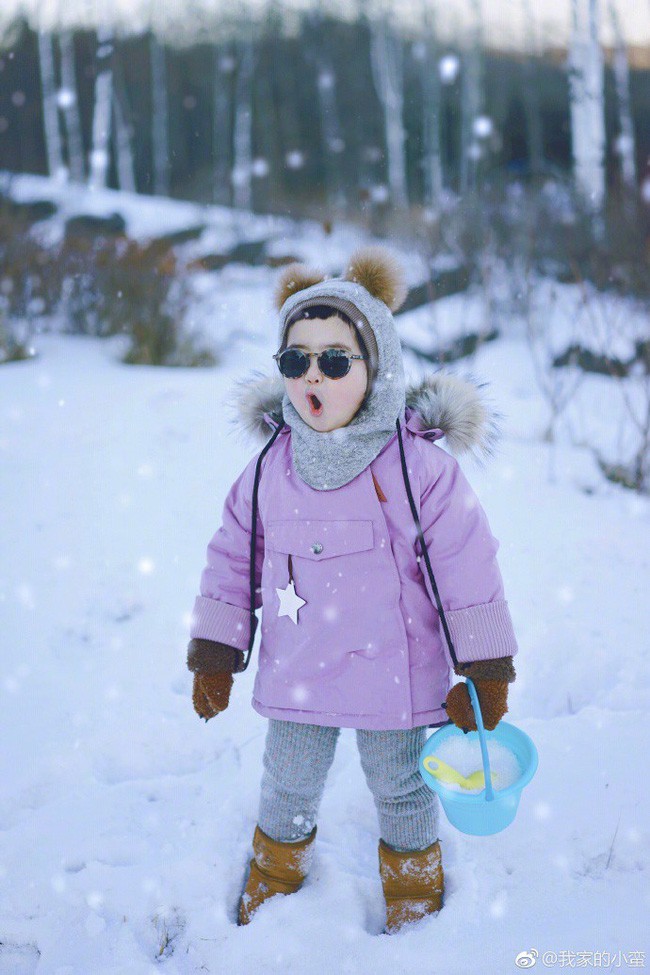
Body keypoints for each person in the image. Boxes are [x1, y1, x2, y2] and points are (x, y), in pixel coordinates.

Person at [186, 247, 518, 934]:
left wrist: (484, 669)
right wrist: (217, 647)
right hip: (301, 669)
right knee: (287, 782)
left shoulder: (419, 468)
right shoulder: (268, 470)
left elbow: (467, 566)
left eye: (335, 360)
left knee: (402, 789)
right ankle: (273, 875)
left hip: (391, 676)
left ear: (377, 369)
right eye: (296, 359)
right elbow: (230, 556)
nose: (314, 374)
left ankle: (413, 890)